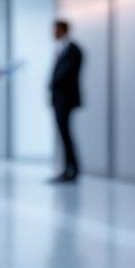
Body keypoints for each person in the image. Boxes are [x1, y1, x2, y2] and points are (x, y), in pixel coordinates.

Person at [49, 20, 83, 183]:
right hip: (59, 99)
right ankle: (69, 168)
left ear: (62, 29)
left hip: (66, 98)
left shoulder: (73, 49)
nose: (52, 33)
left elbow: (65, 74)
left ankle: (71, 169)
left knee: (65, 134)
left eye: (54, 29)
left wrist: (52, 83)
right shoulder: (62, 49)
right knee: (64, 134)